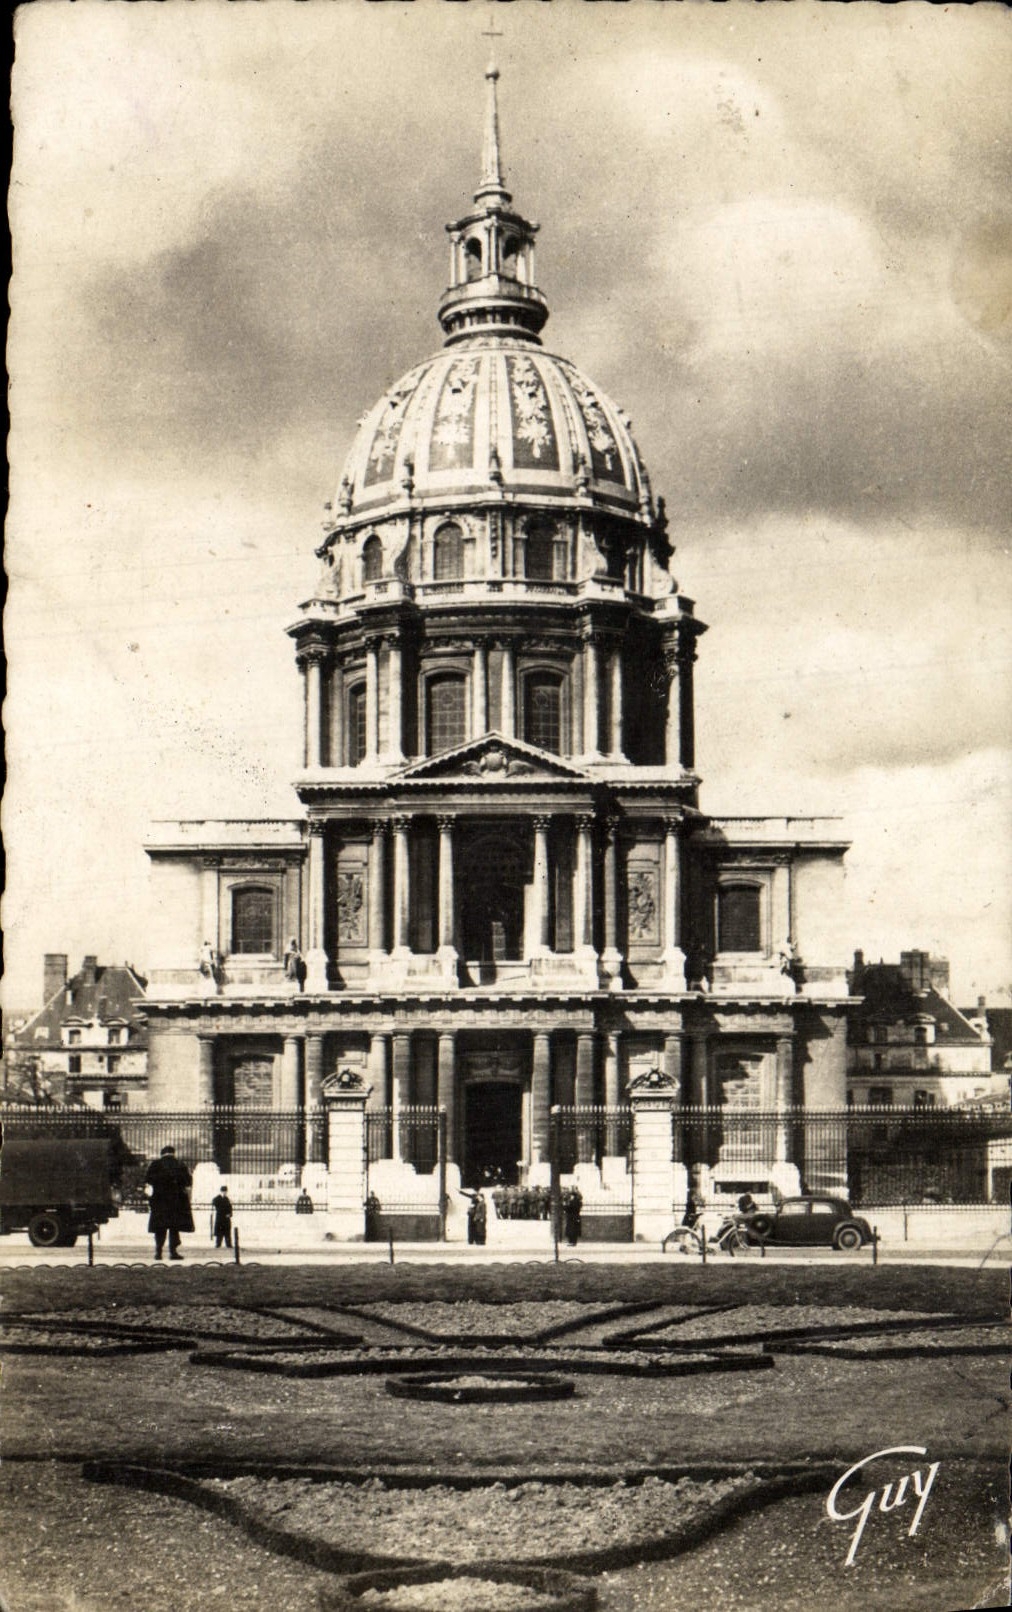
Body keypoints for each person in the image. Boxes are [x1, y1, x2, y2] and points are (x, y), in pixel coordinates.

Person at [145, 1145, 194, 1261]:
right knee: (174, 1228)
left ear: (162, 1153)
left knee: (159, 1227)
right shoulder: (180, 1164)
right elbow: (188, 1182)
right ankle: (173, 1252)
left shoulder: (155, 1164)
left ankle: (158, 1252)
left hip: (159, 1201)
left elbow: (148, 1180)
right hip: (176, 1202)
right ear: (173, 1153)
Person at [211, 1184, 233, 1248]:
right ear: (221, 1191)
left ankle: (228, 1244)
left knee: (227, 1232)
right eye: (224, 1191)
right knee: (219, 1232)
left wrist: (230, 1214)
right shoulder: (217, 1198)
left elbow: (230, 1208)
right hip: (220, 1218)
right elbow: (214, 1202)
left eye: (226, 1192)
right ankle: (218, 1244)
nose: (225, 1193)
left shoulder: (227, 1199)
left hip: (226, 1218)